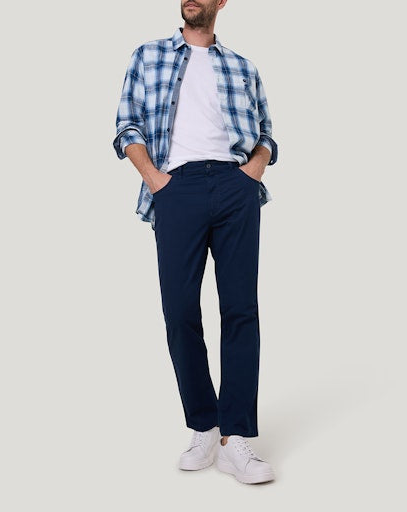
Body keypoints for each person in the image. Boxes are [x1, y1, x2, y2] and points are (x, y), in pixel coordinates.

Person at [112, 0, 278, 485]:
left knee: (241, 310)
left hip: (234, 186)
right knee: (180, 310)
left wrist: (252, 172)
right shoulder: (148, 55)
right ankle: (204, 424)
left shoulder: (242, 67)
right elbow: (126, 124)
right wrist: (155, 180)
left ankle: (235, 437)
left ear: (221, 2)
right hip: (176, 188)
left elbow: (267, 132)